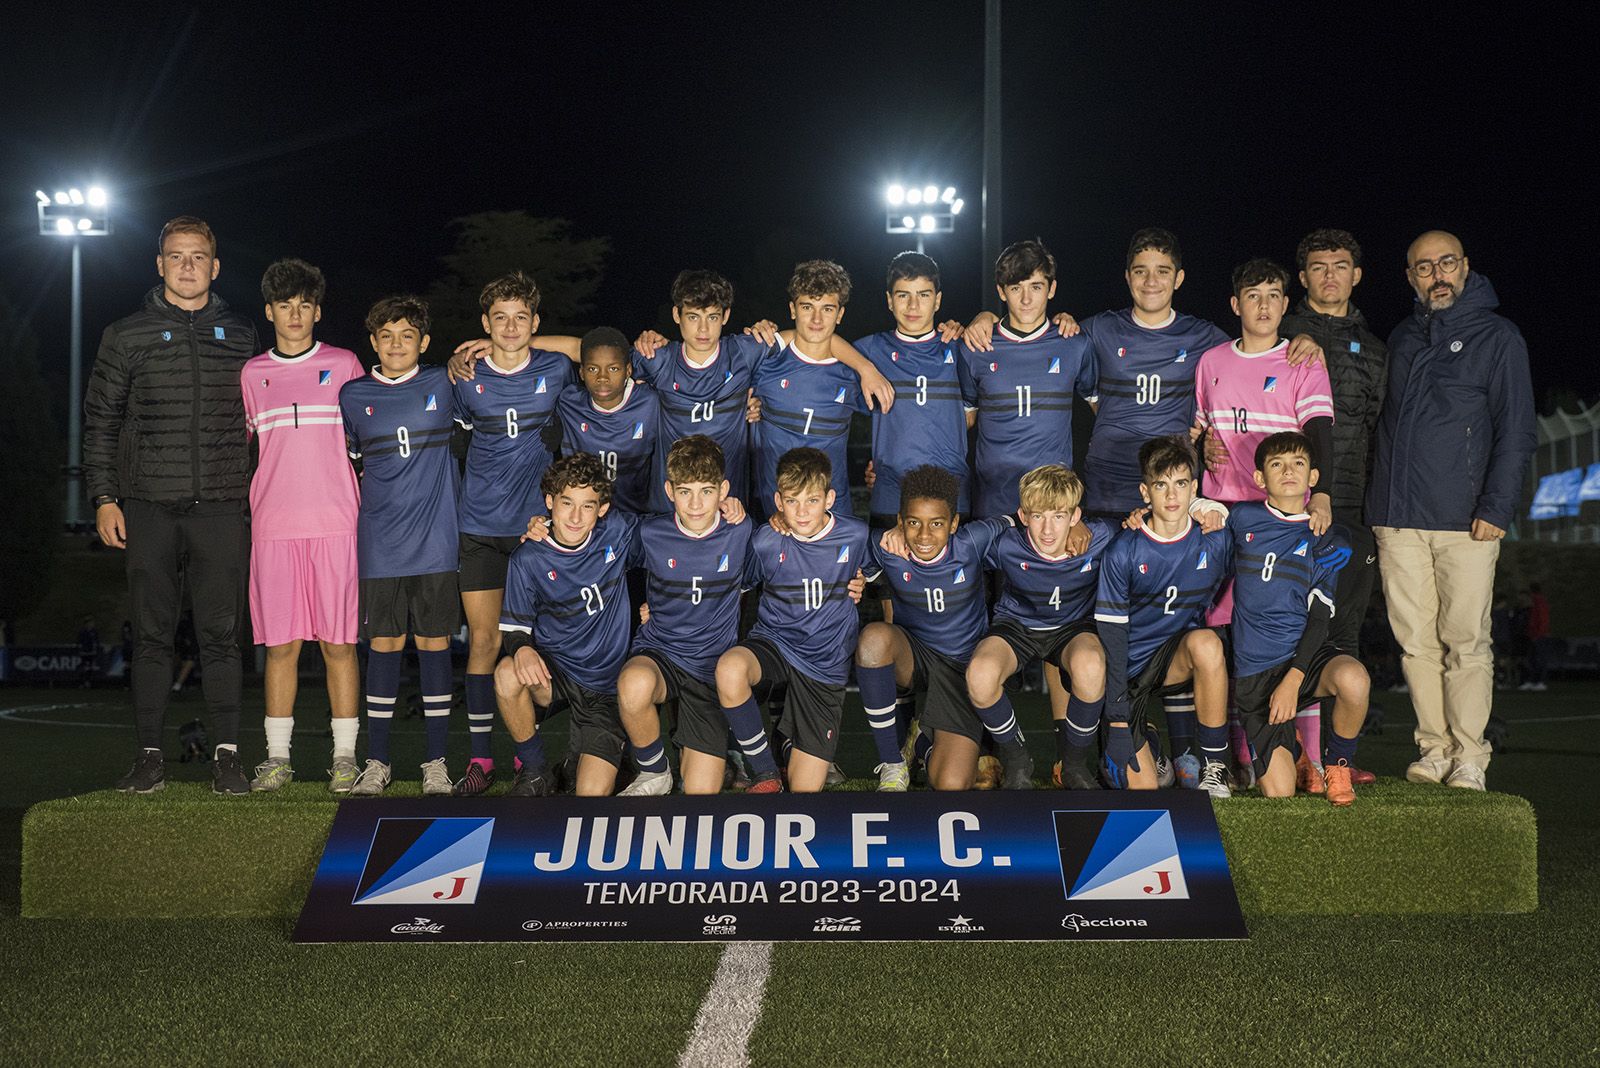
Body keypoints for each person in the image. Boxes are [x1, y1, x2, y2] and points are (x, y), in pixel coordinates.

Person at [83, 216, 259, 795]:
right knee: (153, 638)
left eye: (198, 256)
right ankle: (149, 757)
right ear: (159, 265)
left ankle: (228, 757)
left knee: (222, 637)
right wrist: (105, 497)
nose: (187, 266)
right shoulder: (125, 333)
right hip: (149, 507)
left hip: (221, 507)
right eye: (176, 256)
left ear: (215, 265)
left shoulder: (242, 335)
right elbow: (101, 421)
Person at [1367, 231, 1536, 791]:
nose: (1437, 275)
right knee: (1415, 643)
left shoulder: (1499, 337)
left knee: (1466, 640)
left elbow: (1516, 433)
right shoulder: (1402, 337)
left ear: (1465, 267)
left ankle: (1470, 757)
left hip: (1466, 520)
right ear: (1411, 277)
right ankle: (1434, 748)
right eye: (1424, 267)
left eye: (1446, 263)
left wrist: (1497, 506)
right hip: (1399, 518)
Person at [449, 272, 578, 796]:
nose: (509, 326)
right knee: (484, 641)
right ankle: (481, 759)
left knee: (542, 645)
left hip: (537, 532)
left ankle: (541, 759)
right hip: (479, 528)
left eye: (521, 318)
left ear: (535, 323)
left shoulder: (555, 367)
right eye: (499, 318)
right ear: (484, 323)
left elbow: (583, 347)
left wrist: (528, 341)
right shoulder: (463, 377)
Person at [240, 258, 365, 792]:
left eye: (304, 305)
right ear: (269, 311)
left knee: (339, 646)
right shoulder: (252, 373)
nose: (295, 314)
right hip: (273, 527)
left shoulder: (344, 364)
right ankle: (277, 759)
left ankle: (344, 759)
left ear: (318, 310)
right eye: (284, 305)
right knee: (281, 647)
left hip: (337, 523)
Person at [339, 295, 462, 797]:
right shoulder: (351, 395)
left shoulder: (444, 383)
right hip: (380, 544)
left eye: (407, 335)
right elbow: (351, 461)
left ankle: (436, 762)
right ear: (372, 342)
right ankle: (378, 761)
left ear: (424, 343)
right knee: (384, 648)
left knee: (435, 646)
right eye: (386, 335)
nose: (396, 344)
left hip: (436, 541)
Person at [633, 269, 894, 504]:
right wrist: (646, 341)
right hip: (668, 505)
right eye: (692, 316)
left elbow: (808, 338)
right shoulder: (657, 358)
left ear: (725, 316)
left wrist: (865, 368)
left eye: (712, 317)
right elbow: (605, 367)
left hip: (730, 507)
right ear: (676, 315)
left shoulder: (745, 353)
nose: (703, 328)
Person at [716, 447, 873, 793]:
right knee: (729, 670)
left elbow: (874, 573)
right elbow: (738, 587)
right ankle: (765, 770)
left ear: (830, 498)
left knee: (804, 792)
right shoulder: (766, 540)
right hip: (777, 642)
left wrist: (860, 581)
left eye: (812, 500)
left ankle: (787, 740)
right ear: (778, 501)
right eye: (792, 501)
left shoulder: (856, 535)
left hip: (824, 662)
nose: (801, 512)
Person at [1223, 431, 1367, 805]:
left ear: (1313, 478)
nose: (1288, 471)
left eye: (1298, 464)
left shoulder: (1324, 537)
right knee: (1280, 793)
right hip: (1257, 671)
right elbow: (1198, 522)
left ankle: (1337, 766)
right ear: (1259, 478)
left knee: (1354, 679)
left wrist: (1294, 677)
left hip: (1303, 660)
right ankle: (1296, 751)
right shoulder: (1241, 518)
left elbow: (1319, 619)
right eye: (1277, 464)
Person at [611, 436, 753, 796]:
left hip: (709, 669)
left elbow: (783, 561)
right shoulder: (649, 531)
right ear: (669, 490)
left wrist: (854, 581)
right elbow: (596, 553)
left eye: (706, 491)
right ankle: (654, 770)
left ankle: (700, 751)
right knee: (633, 685)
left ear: (723, 490)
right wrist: (540, 526)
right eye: (685, 491)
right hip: (661, 653)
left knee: (701, 794)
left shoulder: (742, 531)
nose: (695, 503)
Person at [495, 454, 641, 797]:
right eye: (566, 503)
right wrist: (523, 648)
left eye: (587, 506)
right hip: (556, 675)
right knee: (506, 673)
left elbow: (673, 540)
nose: (575, 516)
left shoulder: (617, 533)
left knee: (589, 796)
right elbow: (514, 629)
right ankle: (535, 770)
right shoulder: (527, 558)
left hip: (605, 688)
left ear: (601, 509)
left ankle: (618, 759)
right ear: (549, 502)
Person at [862, 466, 1015, 791]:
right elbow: (838, 543)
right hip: (914, 659)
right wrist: (857, 580)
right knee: (873, 641)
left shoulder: (973, 541)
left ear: (955, 524)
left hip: (961, 670)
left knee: (950, 785)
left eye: (937, 524)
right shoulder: (885, 547)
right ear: (900, 522)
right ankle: (893, 763)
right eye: (913, 522)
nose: (924, 535)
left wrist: (1072, 531)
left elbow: (1016, 520)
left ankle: (921, 743)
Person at [963, 465, 1114, 790]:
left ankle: (1073, 765)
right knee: (980, 674)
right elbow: (953, 550)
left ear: (1076, 517)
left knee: (1091, 666)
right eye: (1038, 516)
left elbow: (1149, 529)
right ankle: (1018, 759)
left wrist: (1204, 508)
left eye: (1058, 516)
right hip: (1017, 624)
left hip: (1072, 627)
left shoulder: (1099, 536)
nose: (1047, 529)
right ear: (1023, 515)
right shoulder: (1005, 544)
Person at [1094, 437, 1231, 792]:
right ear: (1145, 492)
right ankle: (1151, 746)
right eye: (1161, 485)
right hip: (1128, 670)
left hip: (1175, 659)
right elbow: (1112, 640)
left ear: (1194, 490)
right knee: (1143, 789)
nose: (1172, 496)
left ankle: (1214, 767)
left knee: (1207, 643)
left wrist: (1217, 510)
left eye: (1181, 484)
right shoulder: (1122, 551)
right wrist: (1119, 719)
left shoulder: (1215, 539)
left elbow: (1254, 519)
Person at [958, 240, 1096, 520]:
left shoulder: (1074, 344)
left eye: (1035, 287)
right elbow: (963, 421)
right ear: (1001, 291)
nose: (1026, 299)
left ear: (1052, 288)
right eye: (1015, 288)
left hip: (1052, 502)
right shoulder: (975, 346)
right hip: (993, 498)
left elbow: (1103, 411)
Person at [852, 254, 971, 529]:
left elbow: (971, 415)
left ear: (938, 300)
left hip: (951, 492)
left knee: (954, 571)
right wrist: (864, 367)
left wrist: (985, 317)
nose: (913, 305)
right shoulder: (869, 351)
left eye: (924, 295)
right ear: (889, 300)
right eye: (903, 295)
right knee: (885, 571)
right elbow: (822, 348)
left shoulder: (961, 348)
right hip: (891, 493)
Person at [749, 261, 876, 517]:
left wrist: (881, 464)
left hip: (833, 514)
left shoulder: (855, 374)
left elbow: (897, 419)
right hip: (772, 512)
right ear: (793, 310)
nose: (817, 319)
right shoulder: (763, 362)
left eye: (827, 309)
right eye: (807, 307)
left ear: (840, 314)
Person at [555, 328, 661, 515]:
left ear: (628, 370)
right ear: (581, 372)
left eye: (613, 368)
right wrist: (509, 346)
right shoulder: (568, 402)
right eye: (592, 369)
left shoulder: (650, 402)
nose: (602, 377)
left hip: (635, 518)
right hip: (581, 522)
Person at [1521, 583, 1550, 692]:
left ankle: (1540, 681)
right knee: (1533, 659)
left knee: (1539, 659)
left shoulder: (1538, 602)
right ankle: (1534, 681)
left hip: (1538, 635)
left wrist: (1537, 634)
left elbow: (1542, 620)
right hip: (1535, 634)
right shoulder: (1538, 602)